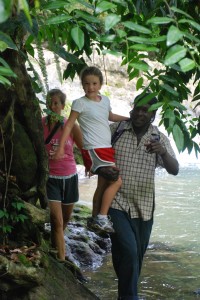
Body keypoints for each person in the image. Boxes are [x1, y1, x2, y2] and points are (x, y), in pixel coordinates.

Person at [108, 92, 179, 300]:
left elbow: (174, 169)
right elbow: (96, 156)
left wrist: (162, 153)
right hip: (116, 202)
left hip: (144, 207)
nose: (140, 113)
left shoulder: (158, 139)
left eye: (145, 110)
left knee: (133, 257)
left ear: (153, 114)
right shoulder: (116, 131)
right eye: (137, 108)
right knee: (129, 252)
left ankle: (125, 295)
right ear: (132, 109)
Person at [53, 66, 128, 234]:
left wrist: (129, 119)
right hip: (94, 148)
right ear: (82, 85)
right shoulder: (80, 103)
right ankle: (102, 217)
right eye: (86, 84)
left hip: (106, 148)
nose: (90, 87)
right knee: (116, 181)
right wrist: (60, 148)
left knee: (102, 184)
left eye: (94, 83)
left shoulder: (105, 100)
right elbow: (70, 125)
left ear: (100, 84)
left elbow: (111, 117)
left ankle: (94, 219)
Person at [42, 88, 82, 261]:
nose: (52, 106)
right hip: (51, 178)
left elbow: (83, 148)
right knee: (57, 221)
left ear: (63, 105)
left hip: (70, 177)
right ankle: (62, 261)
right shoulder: (39, 124)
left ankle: (54, 244)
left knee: (65, 219)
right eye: (50, 102)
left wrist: (92, 165)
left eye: (56, 103)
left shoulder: (71, 126)